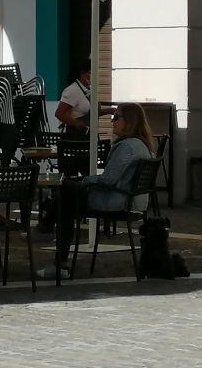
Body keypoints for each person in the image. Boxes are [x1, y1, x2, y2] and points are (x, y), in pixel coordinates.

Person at [42, 102, 155, 279]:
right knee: (67, 194)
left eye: (116, 118)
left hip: (115, 200)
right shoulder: (142, 145)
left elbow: (108, 180)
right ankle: (51, 238)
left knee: (65, 193)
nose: (112, 121)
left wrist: (86, 179)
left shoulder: (127, 147)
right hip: (128, 199)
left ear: (130, 121)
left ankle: (53, 243)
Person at [55, 61, 91, 136]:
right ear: (83, 73)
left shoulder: (88, 89)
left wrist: (111, 110)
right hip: (75, 134)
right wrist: (77, 123)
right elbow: (59, 113)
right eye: (91, 72)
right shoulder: (72, 90)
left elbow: (92, 111)